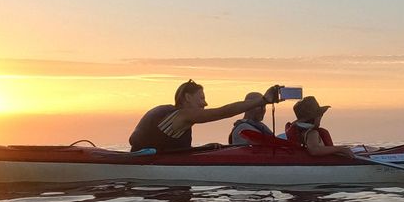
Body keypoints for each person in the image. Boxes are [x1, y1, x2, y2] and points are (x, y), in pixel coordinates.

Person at [130, 80, 280, 152]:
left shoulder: (176, 116)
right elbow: (223, 112)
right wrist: (263, 100)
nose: (205, 103)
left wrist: (201, 149)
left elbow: (169, 149)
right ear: (187, 97)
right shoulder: (183, 115)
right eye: (201, 98)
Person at [285, 95, 355, 158]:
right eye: (320, 116)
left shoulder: (301, 131)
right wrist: (341, 149)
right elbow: (314, 150)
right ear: (315, 117)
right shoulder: (312, 133)